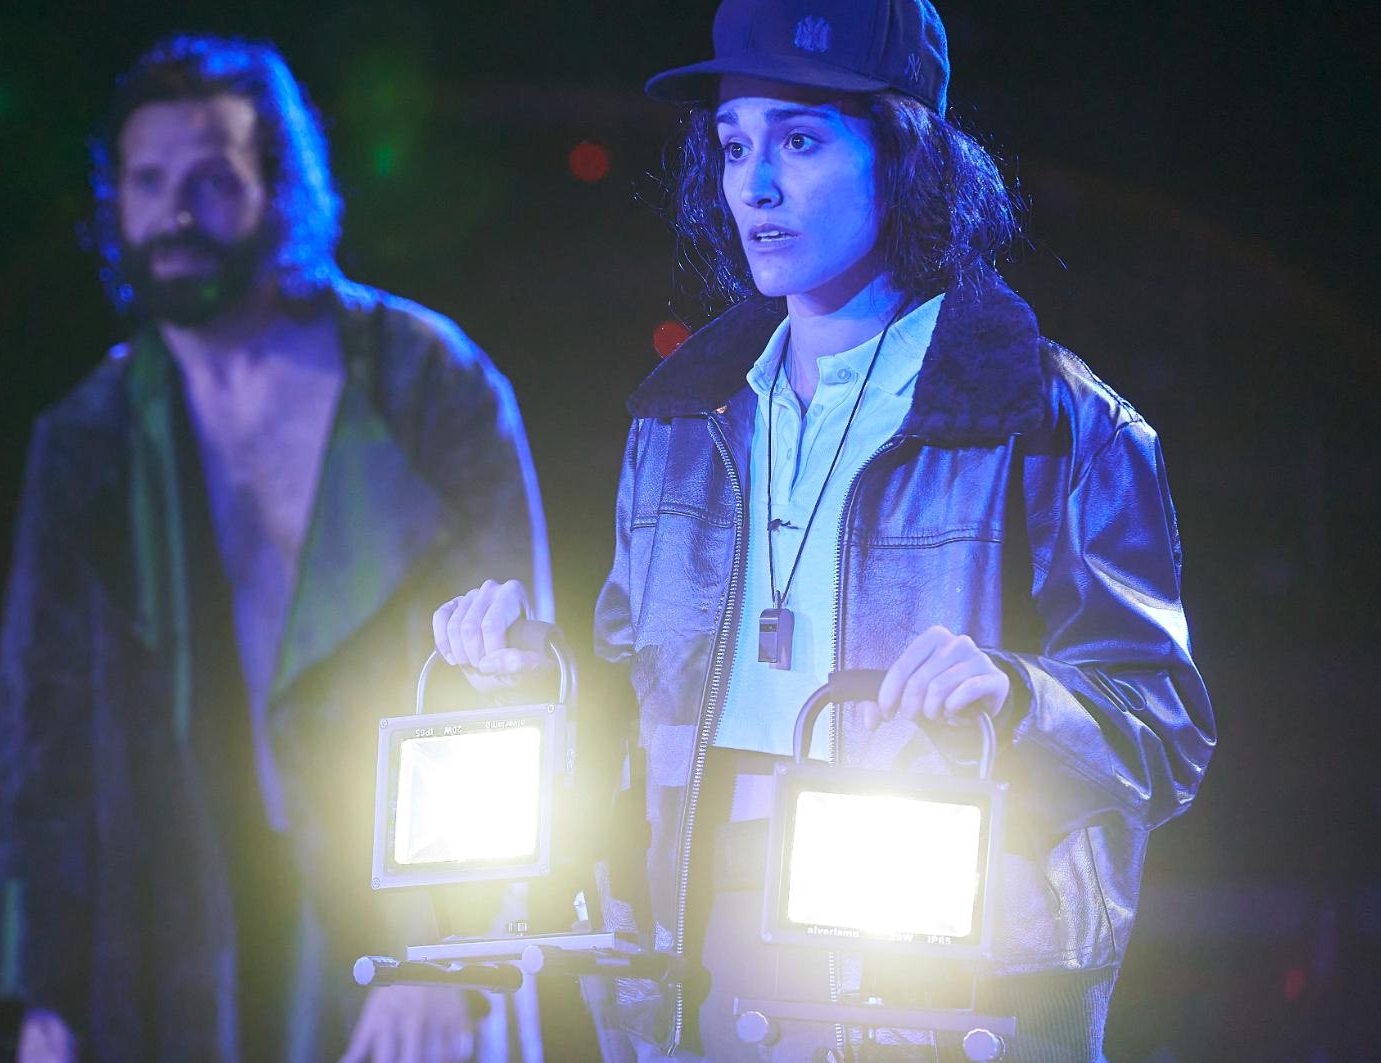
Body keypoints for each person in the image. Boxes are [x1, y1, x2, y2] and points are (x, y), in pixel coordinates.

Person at [433, 0, 1215, 1059]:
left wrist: (1014, 695)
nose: (754, 186)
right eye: (732, 145)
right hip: (695, 949)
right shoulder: (679, 420)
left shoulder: (1051, 419)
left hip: (938, 970)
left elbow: (1162, 732)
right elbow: (631, 700)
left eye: (799, 141)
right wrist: (531, 676)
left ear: (906, 155)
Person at [0, 35, 552, 1063]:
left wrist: (448, 949)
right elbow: (42, 738)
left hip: (401, 920)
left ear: (278, 189)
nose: (175, 213)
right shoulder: (89, 438)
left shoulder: (427, 383)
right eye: (148, 181)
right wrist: (43, 994)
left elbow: (508, 677)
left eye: (210, 179)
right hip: (178, 933)